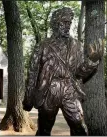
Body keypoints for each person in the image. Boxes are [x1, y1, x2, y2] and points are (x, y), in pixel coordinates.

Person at [23, 7, 103, 136]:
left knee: (79, 125)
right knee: (44, 129)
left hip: (70, 89)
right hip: (49, 91)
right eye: (64, 22)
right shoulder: (42, 46)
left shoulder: (77, 46)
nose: (67, 26)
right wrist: (28, 99)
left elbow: (80, 74)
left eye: (69, 23)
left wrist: (92, 62)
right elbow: (32, 73)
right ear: (55, 24)